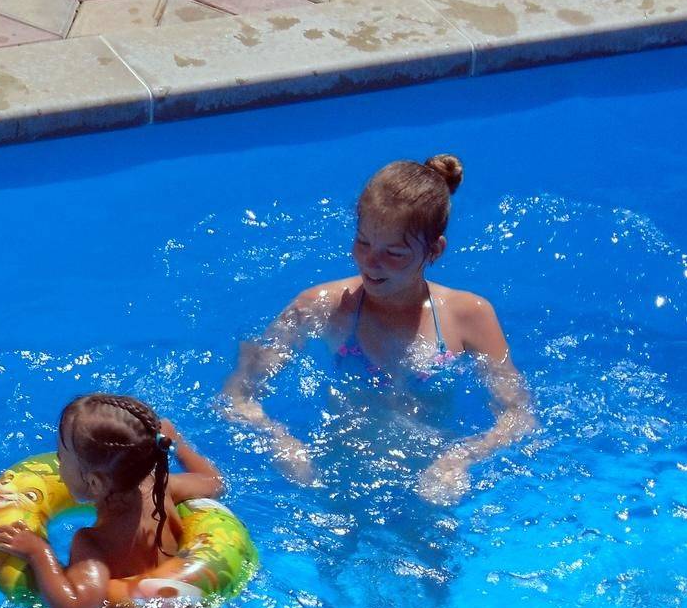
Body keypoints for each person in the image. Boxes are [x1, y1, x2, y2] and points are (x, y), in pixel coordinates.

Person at [222, 154, 536, 504]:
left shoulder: (469, 315)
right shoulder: (320, 306)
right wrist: (278, 439)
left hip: (431, 481)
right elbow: (237, 395)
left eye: (395, 253)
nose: (371, 263)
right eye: (363, 243)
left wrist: (461, 458)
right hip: (336, 478)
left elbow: (518, 414)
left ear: (434, 251)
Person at [0, 394, 225, 608]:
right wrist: (178, 445)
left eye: (61, 458)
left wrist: (39, 553)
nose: (58, 466)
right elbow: (214, 482)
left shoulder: (93, 542)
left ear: (94, 483)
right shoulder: (159, 486)